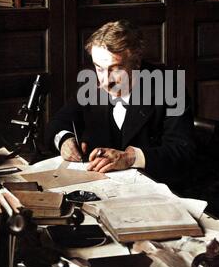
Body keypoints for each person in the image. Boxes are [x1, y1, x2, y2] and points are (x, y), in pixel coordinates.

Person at [46, 20, 196, 193]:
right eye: (99, 68)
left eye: (115, 69)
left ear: (137, 62)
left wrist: (130, 158)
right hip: (104, 189)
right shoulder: (91, 85)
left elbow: (182, 153)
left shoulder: (169, 87)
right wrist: (64, 139)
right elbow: (58, 122)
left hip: (154, 191)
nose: (105, 81)